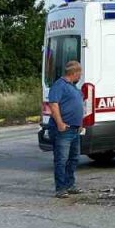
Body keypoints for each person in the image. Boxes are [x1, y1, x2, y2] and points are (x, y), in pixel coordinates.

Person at [46, 60, 84, 198]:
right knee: (61, 159)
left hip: (74, 129)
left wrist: (80, 123)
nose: (80, 76)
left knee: (74, 158)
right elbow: (53, 104)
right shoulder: (59, 85)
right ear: (74, 73)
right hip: (63, 130)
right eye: (79, 73)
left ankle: (70, 184)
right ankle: (61, 188)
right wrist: (60, 123)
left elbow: (78, 105)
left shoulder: (73, 87)